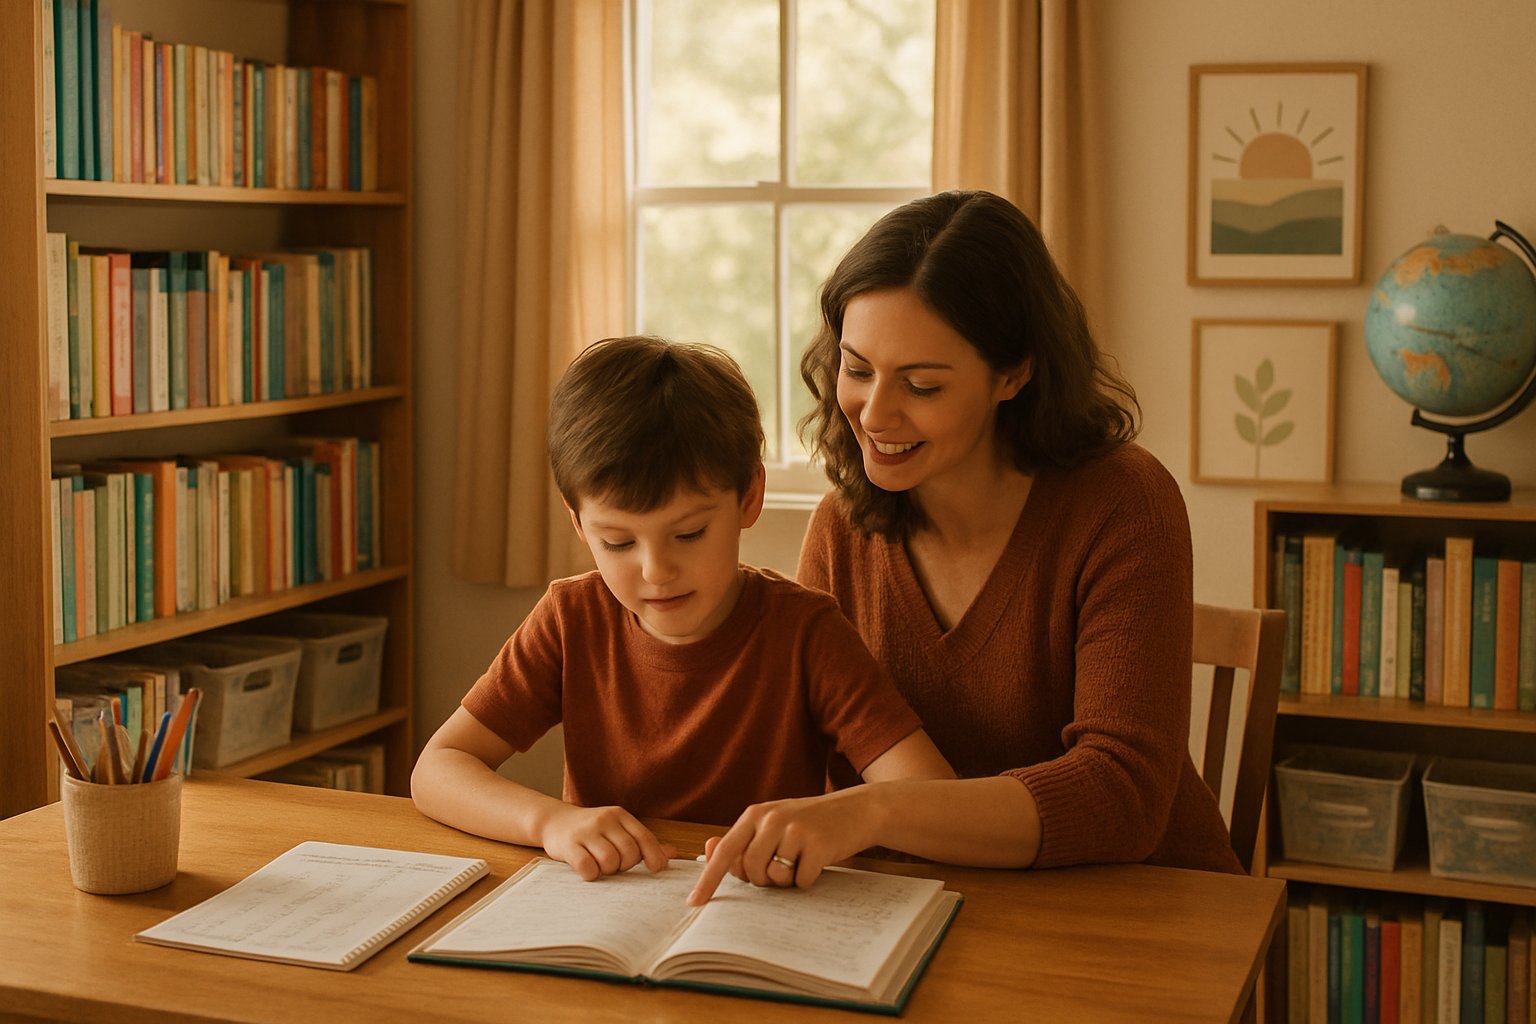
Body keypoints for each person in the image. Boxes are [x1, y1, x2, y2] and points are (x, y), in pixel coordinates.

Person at [687, 190, 1240, 906]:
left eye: (921, 384)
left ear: (1014, 373)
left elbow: (1121, 794)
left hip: (1140, 910)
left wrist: (879, 809)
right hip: (934, 906)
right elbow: (806, 757)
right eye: (857, 370)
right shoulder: (842, 528)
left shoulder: (1122, 502)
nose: (875, 413)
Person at [412, 335, 955, 882]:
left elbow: (931, 795)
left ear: (749, 498)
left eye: (689, 533)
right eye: (619, 543)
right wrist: (549, 822)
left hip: (762, 913)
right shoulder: (570, 619)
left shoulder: (806, 632)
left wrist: (841, 820)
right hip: (608, 915)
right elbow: (437, 769)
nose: (655, 571)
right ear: (578, 523)